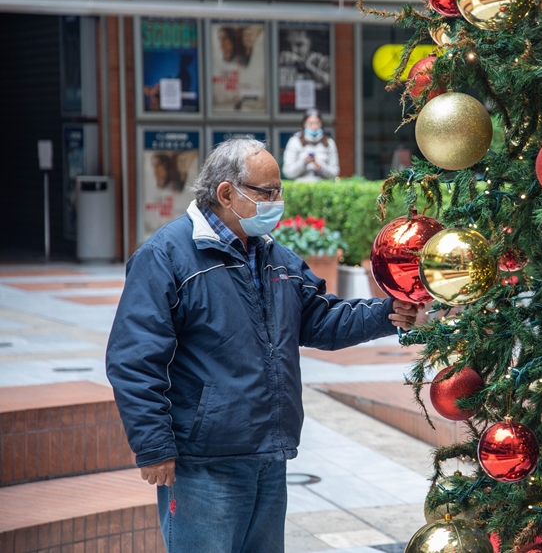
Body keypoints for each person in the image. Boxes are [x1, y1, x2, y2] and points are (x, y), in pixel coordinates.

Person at [106, 138, 423, 553]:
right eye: (267, 192)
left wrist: (387, 314)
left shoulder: (277, 257)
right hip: (204, 462)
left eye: (280, 191)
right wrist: (153, 447)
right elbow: (134, 360)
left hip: (268, 454)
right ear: (226, 193)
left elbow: (319, 319)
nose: (278, 202)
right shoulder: (166, 257)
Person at [281, 110, 339, 181]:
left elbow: (335, 172)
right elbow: (288, 172)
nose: (314, 127)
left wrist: (322, 168)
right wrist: (304, 162)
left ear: (321, 124)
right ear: (304, 124)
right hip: (300, 188)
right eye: (310, 123)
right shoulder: (294, 142)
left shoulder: (329, 143)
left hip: (324, 188)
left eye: (317, 123)